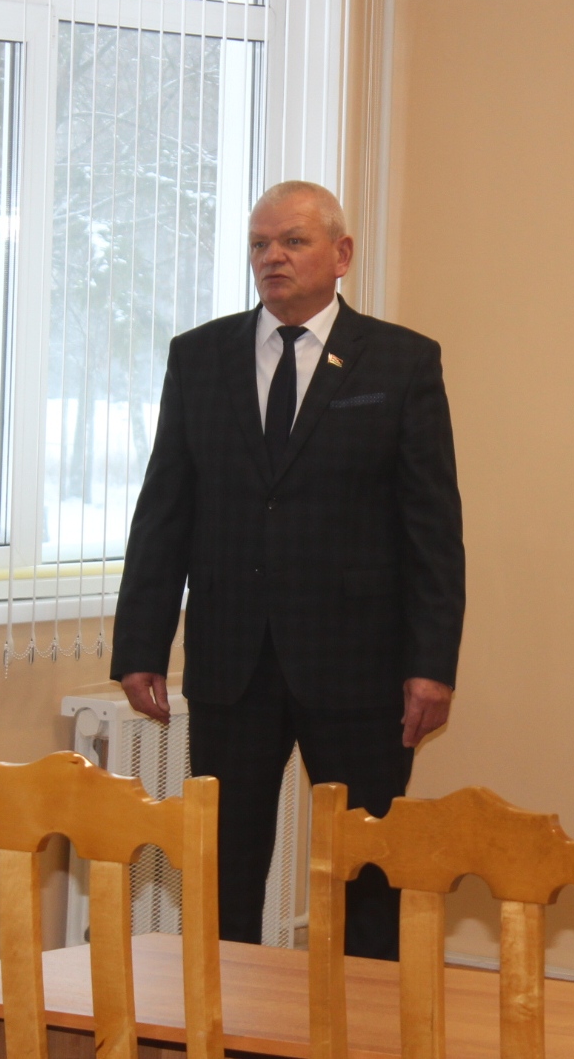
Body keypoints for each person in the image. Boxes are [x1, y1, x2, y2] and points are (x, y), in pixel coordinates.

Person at [110, 180, 465, 959]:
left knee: (367, 872)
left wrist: (431, 664)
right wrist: (139, 644)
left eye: (293, 241)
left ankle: (366, 1019)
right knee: (223, 869)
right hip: (232, 661)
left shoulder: (401, 360)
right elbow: (165, 507)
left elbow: (432, 528)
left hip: (361, 667)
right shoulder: (199, 357)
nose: (272, 256)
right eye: (259, 244)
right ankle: (220, 1017)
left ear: (340, 254)